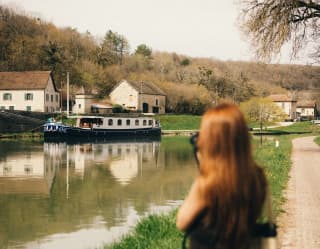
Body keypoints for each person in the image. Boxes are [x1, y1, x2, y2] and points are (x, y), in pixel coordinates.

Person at [176, 103, 267, 249]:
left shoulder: (207, 184)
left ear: (210, 141)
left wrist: (204, 167)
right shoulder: (258, 177)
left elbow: (182, 222)